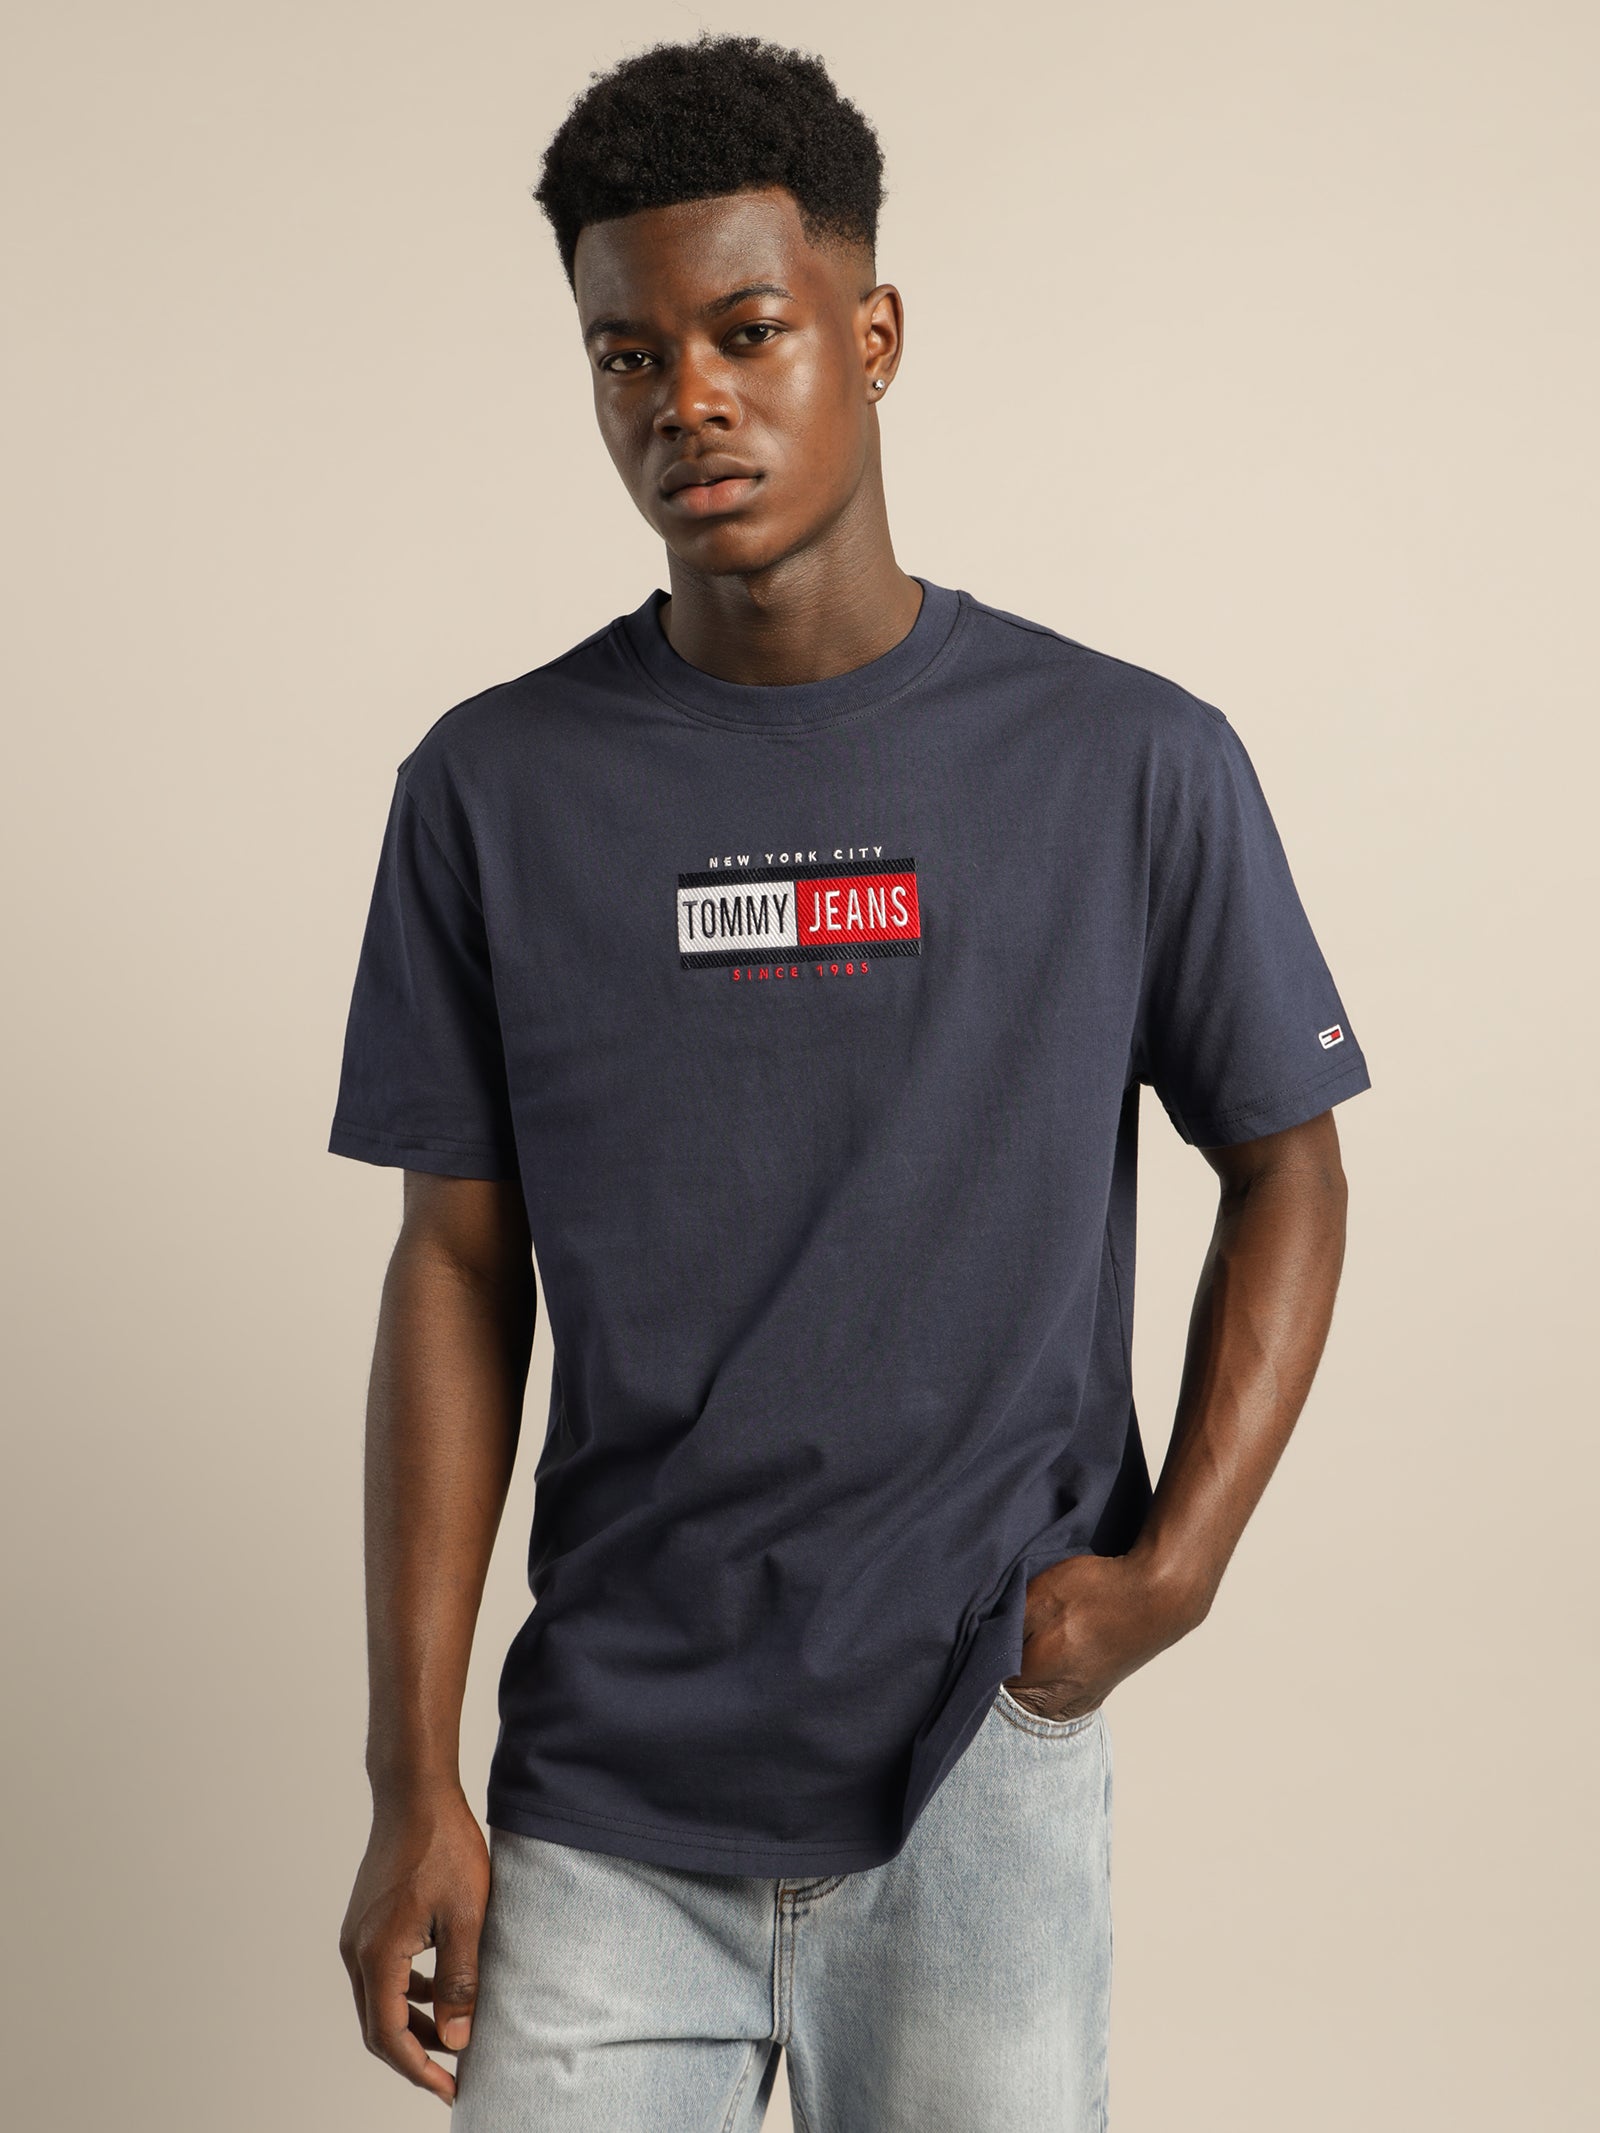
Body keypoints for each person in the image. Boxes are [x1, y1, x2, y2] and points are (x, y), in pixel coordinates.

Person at [329, 32, 1370, 2132]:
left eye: (746, 332)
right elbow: (452, 1267)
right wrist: (408, 1772)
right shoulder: (490, 789)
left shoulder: (1126, 761)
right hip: (607, 1787)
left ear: (870, 336)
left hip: (972, 1753)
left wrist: (1172, 1567)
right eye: (627, 356)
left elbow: (1289, 1158)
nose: (686, 400)